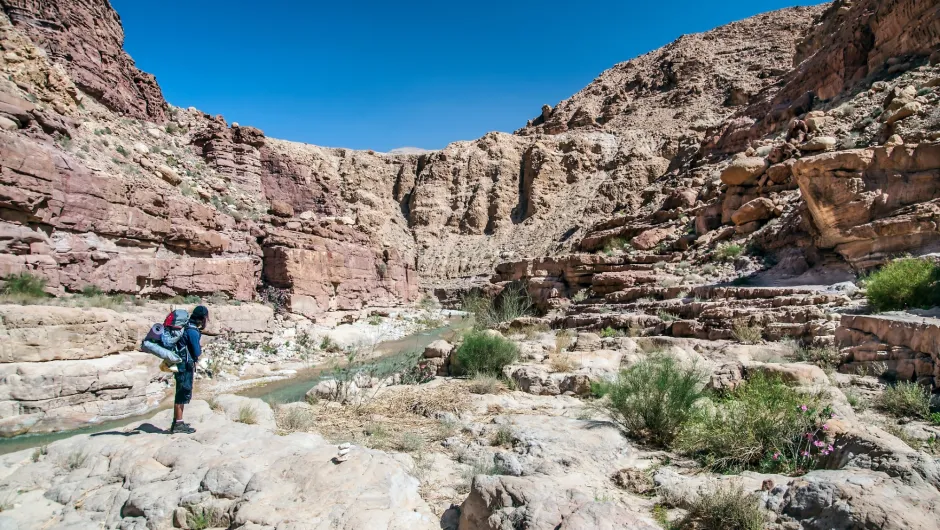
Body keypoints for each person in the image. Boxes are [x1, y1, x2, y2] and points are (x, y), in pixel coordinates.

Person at [170, 305, 209, 434]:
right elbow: (196, 351)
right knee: (182, 392)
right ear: (202, 318)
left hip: (180, 364)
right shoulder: (192, 331)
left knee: (180, 391)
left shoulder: (186, 327)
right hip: (185, 366)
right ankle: (178, 424)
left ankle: (177, 421)